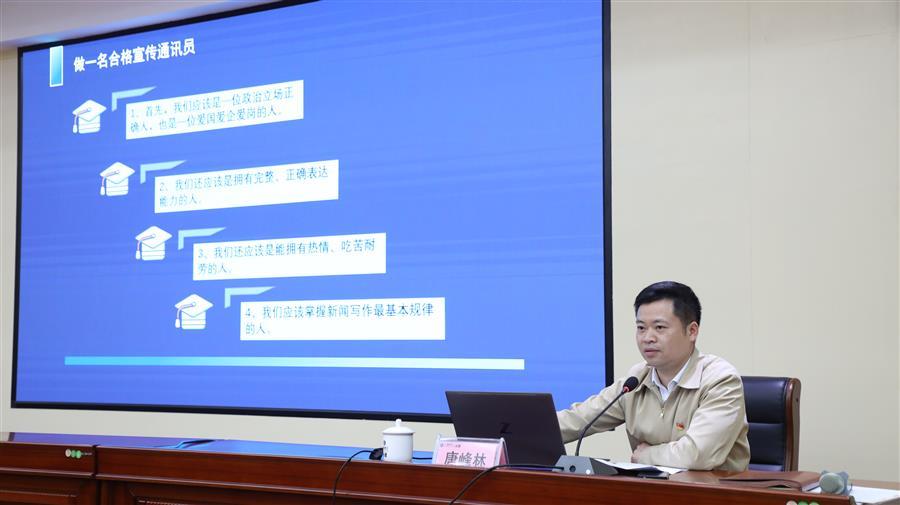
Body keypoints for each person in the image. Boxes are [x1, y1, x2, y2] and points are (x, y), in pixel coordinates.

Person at [557, 281, 750, 471]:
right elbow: (578, 420)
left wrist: (644, 456)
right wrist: (538, 429)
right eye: (641, 328)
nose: (647, 338)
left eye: (659, 328)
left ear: (692, 331)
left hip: (713, 489)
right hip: (653, 488)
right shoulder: (636, 379)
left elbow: (697, 455)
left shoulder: (720, 380)